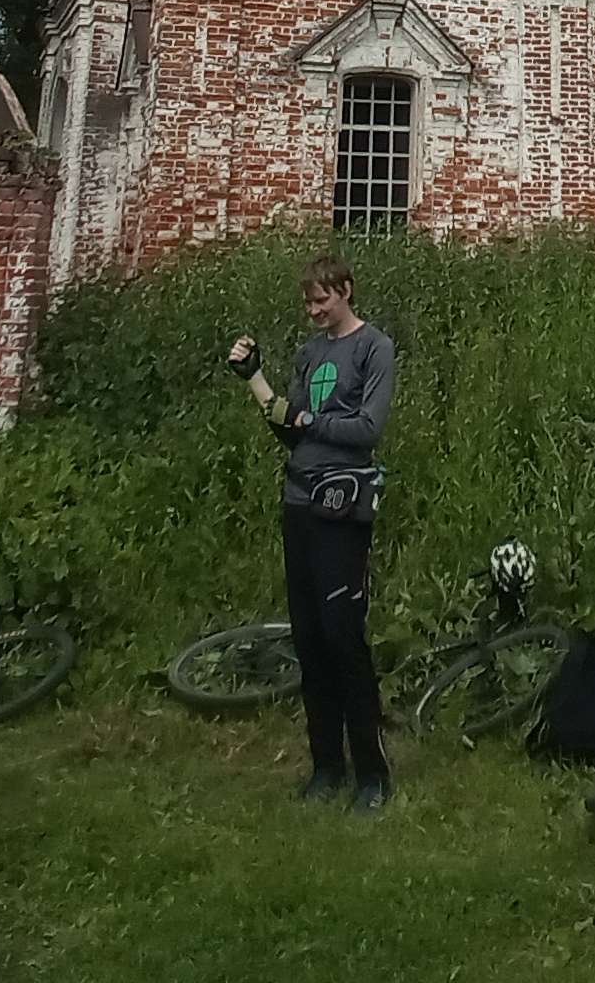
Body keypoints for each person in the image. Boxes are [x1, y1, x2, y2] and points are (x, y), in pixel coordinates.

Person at [227, 255, 397, 811]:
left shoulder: (374, 348)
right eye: (308, 303)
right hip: (298, 503)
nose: (314, 311)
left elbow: (367, 427)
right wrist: (254, 378)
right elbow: (291, 430)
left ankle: (372, 776)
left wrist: (310, 422)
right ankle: (326, 767)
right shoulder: (309, 354)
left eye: (322, 300)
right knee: (310, 640)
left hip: (342, 511)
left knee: (344, 638)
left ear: (346, 290)